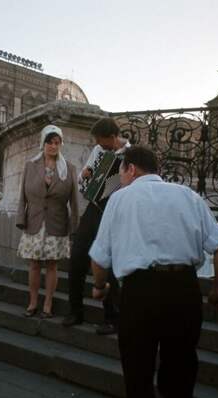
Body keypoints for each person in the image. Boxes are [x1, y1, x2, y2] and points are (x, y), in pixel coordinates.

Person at [89, 146, 218, 398]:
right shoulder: (188, 196)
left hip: (138, 292)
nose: (120, 178)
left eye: (120, 172)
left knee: (137, 373)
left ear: (130, 169)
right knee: (181, 373)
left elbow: (99, 258)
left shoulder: (119, 199)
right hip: (183, 290)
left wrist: (99, 287)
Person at [61, 117, 129, 334]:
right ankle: (75, 311)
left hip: (115, 211)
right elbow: (84, 179)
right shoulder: (98, 151)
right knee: (78, 256)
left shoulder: (130, 154)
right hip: (94, 208)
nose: (99, 145)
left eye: (102, 141)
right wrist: (85, 176)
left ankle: (113, 317)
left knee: (107, 266)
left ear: (113, 137)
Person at [16, 125, 79, 318]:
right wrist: (21, 218)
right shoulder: (30, 165)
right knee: (34, 264)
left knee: (52, 265)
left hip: (57, 223)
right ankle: (33, 302)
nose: (53, 146)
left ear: (61, 144)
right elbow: (22, 196)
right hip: (34, 222)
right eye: (49, 142)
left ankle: (48, 304)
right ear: (43, 143)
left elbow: (74, 200)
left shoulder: (69, 168)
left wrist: (73, 227)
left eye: (57, 142)